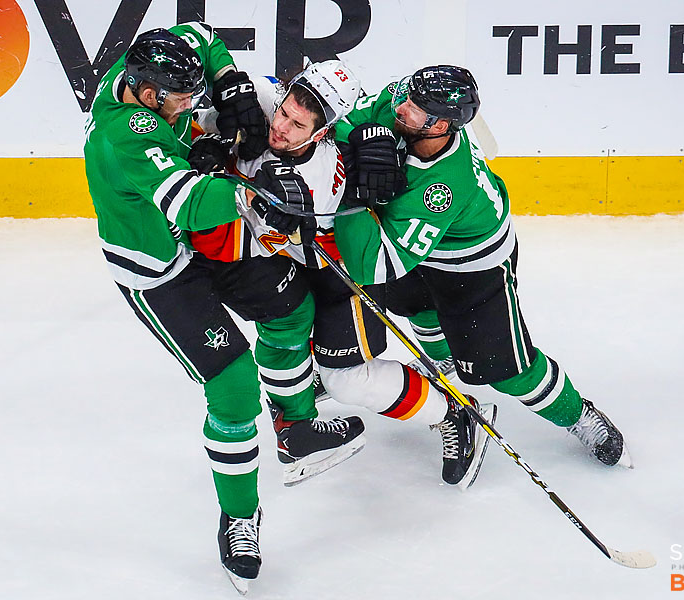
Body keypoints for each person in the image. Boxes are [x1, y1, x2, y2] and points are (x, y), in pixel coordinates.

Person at [82, 24, 363, 591]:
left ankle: (296, 425)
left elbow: (197, 35)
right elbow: (190, 203)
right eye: (183, 99)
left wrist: (230, 83)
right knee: (233, 386)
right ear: (149, 94)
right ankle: (240, 516)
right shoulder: (124, 138)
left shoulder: (136, 72)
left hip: (202, 245)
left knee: (290, 306)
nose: (192, 105)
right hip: (160, 270)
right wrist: (257, 196)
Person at [187, 60, 489, 488]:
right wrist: (211, 142)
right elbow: (189, 116)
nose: (282, 129)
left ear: (322, 132)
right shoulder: (261, 98)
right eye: (284, 112)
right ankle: (297, 421)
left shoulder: (325, 179)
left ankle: (454, 412)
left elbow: (349, 254)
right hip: (287, 265)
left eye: (297, 124)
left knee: (344, 378)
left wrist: (288, 212)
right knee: (282, 332)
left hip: (340, 275)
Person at [332, 65, 632, 468]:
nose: (400, 107)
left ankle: (579, 416)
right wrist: (359, 142)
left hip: (472, 265)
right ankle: (443, 360)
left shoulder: (443, 186)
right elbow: (345, 122)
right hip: (416, 241)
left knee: (509, 370)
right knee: (418, 306)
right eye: (406, 96)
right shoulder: (408, 102)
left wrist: (352, 191)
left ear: (441, 126)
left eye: (415, 108)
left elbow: (376, 265)